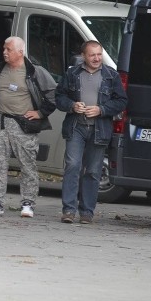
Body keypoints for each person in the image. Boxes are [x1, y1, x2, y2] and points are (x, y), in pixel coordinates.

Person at [55, 40, 127, 224]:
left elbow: (121, 101)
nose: (96, 58)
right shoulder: (72, 73)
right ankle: (69, 210)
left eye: (99, 54)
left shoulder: (111, 75)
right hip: (76, 127)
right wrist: (72, 105)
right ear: (83, 56)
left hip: (99, 129)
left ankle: (87, 212)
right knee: (72, 166)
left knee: (93, 171)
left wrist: (101, 109)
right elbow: (59, 96)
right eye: (92, 55)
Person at [0, 36, 56, 218]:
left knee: (27, 164)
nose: (4, 52)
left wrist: (40, 113)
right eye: (4, 49)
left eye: (8, 49)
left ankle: (28, 203)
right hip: (0, 122)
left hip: (23, 124)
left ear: (20, 52)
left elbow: (54, 95)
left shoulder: (34, 72)